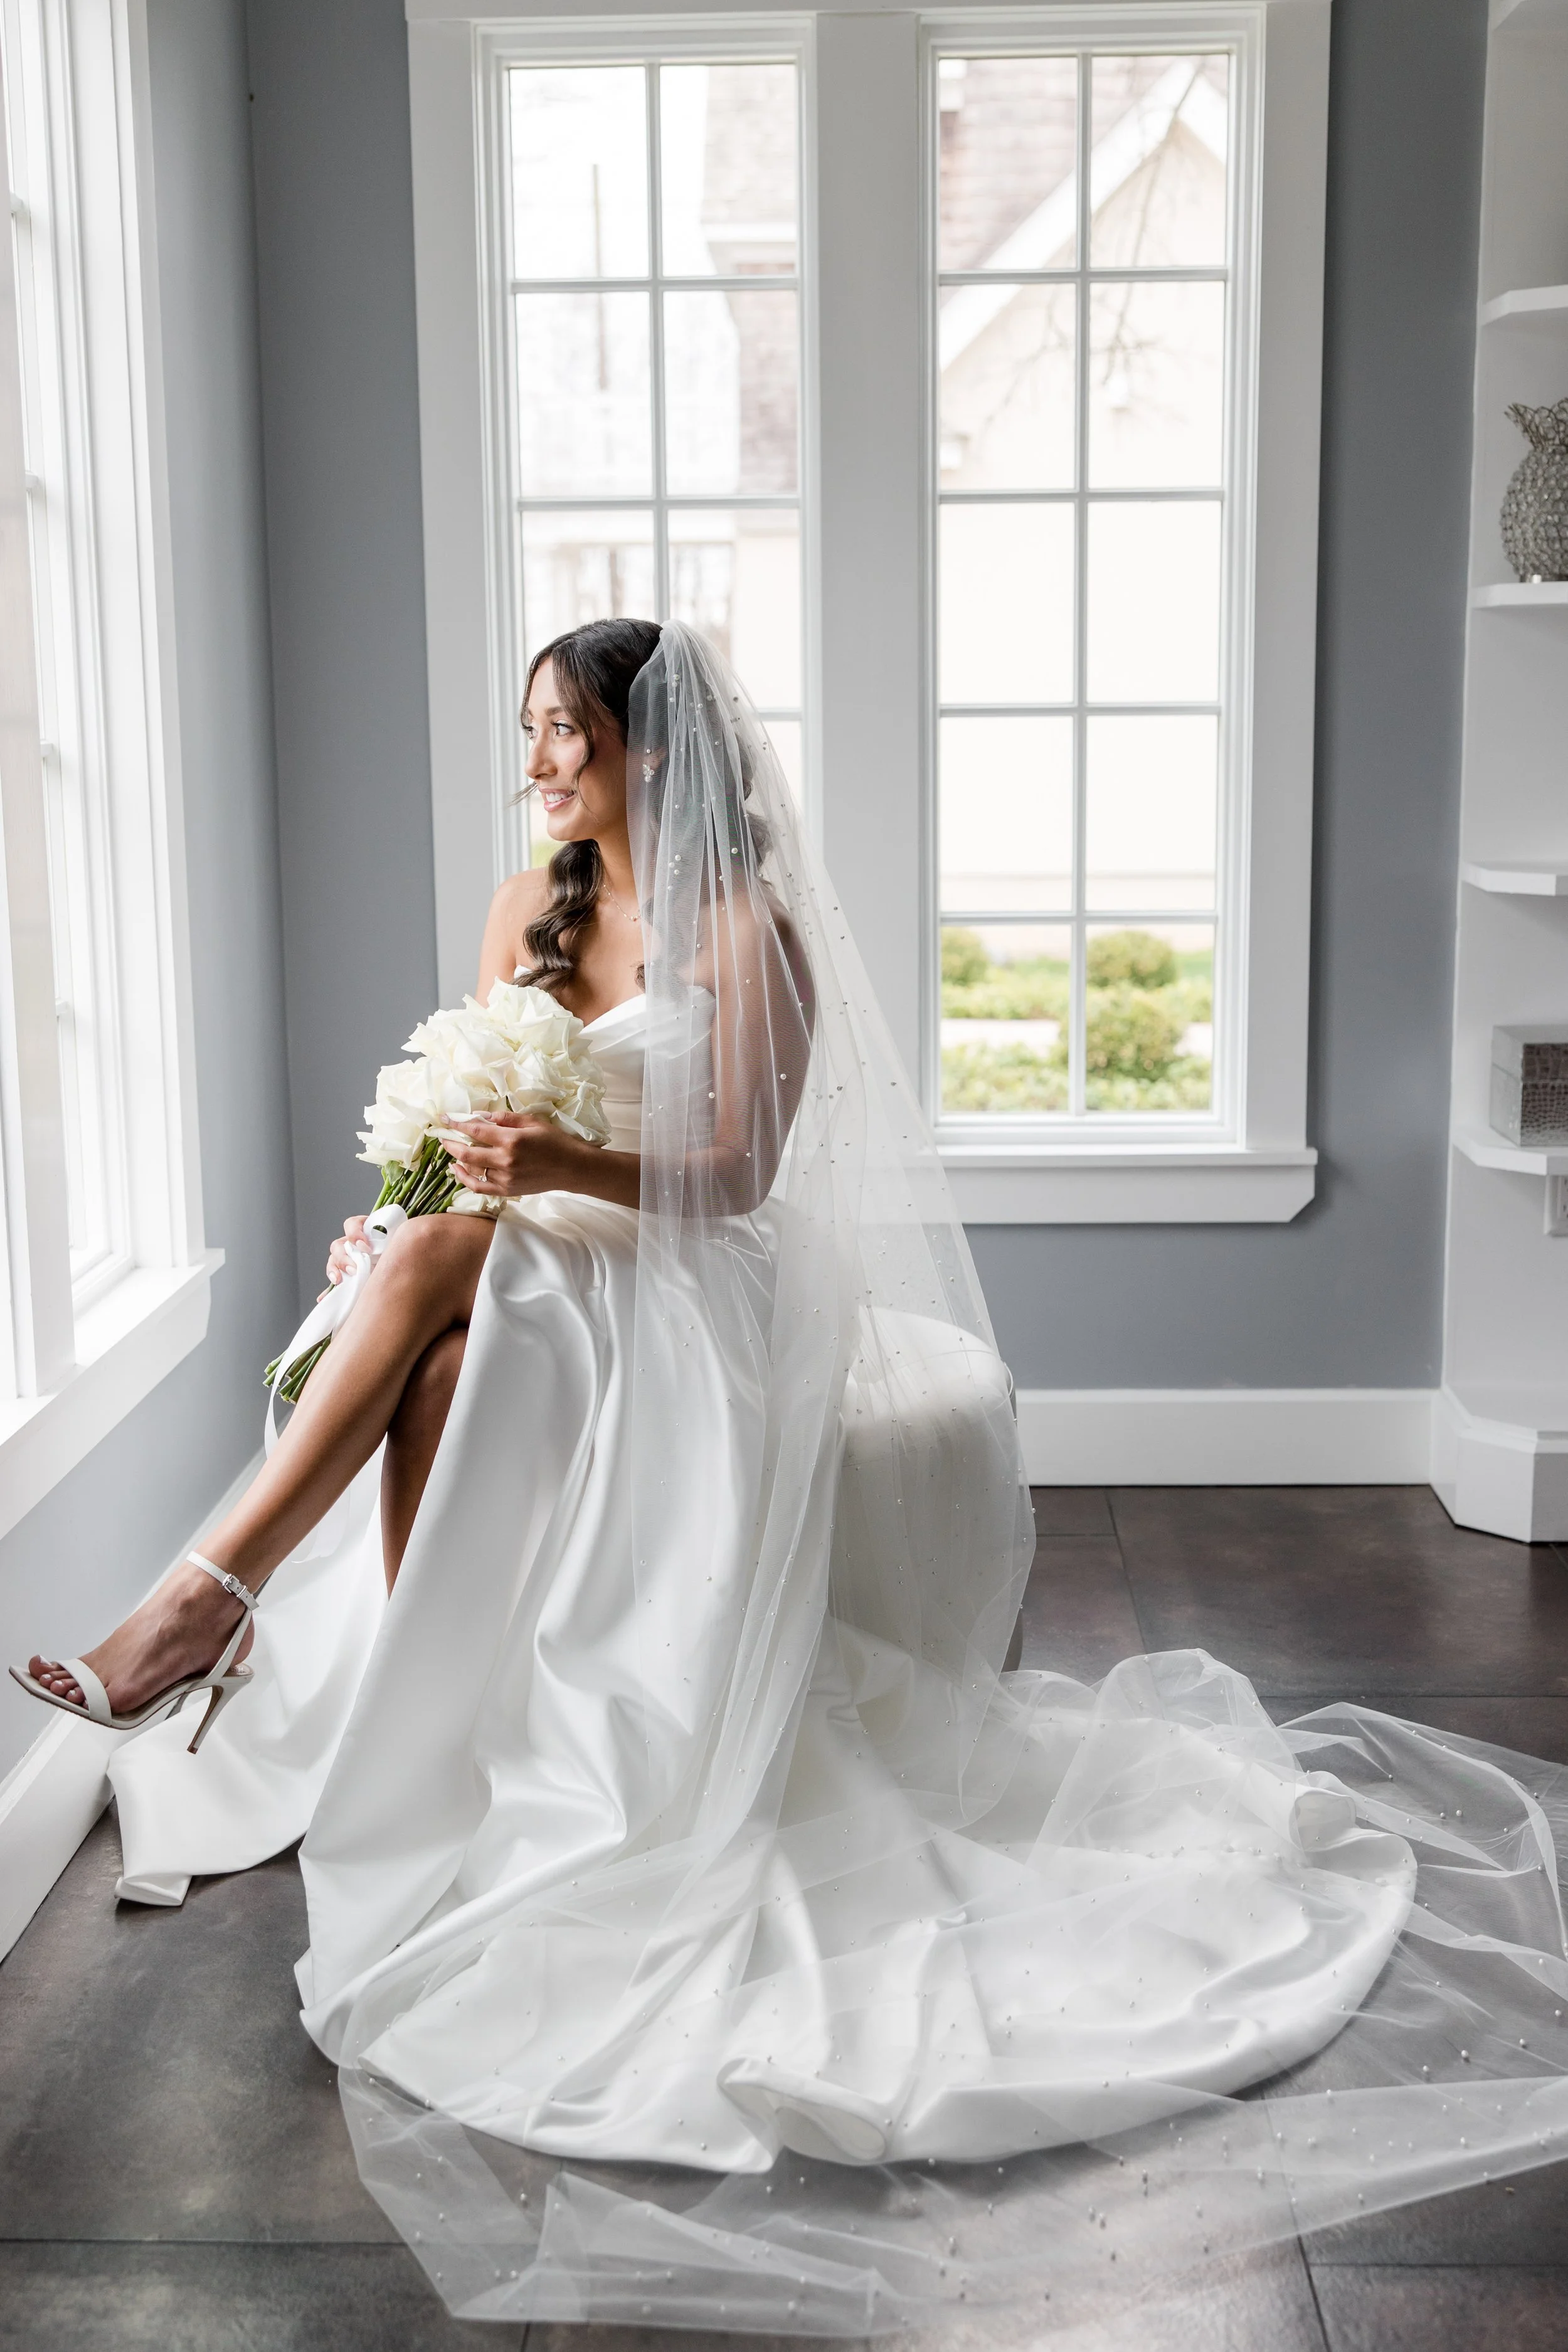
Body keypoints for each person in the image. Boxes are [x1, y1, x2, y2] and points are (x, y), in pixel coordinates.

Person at [13, 622, 1568, 2333]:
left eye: (564, 735)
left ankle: (197, 1603)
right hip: (520, 1257)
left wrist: (550, 1157)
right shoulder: (518, 904)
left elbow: (737, 1176)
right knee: (441, 1317)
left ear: (653, 753)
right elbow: (457, 1135)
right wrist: (396, 1212)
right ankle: (359, 1673)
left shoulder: (747, 927)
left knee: (467, 1277)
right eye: (528, 732)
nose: (536, 763)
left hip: (684, 1285)